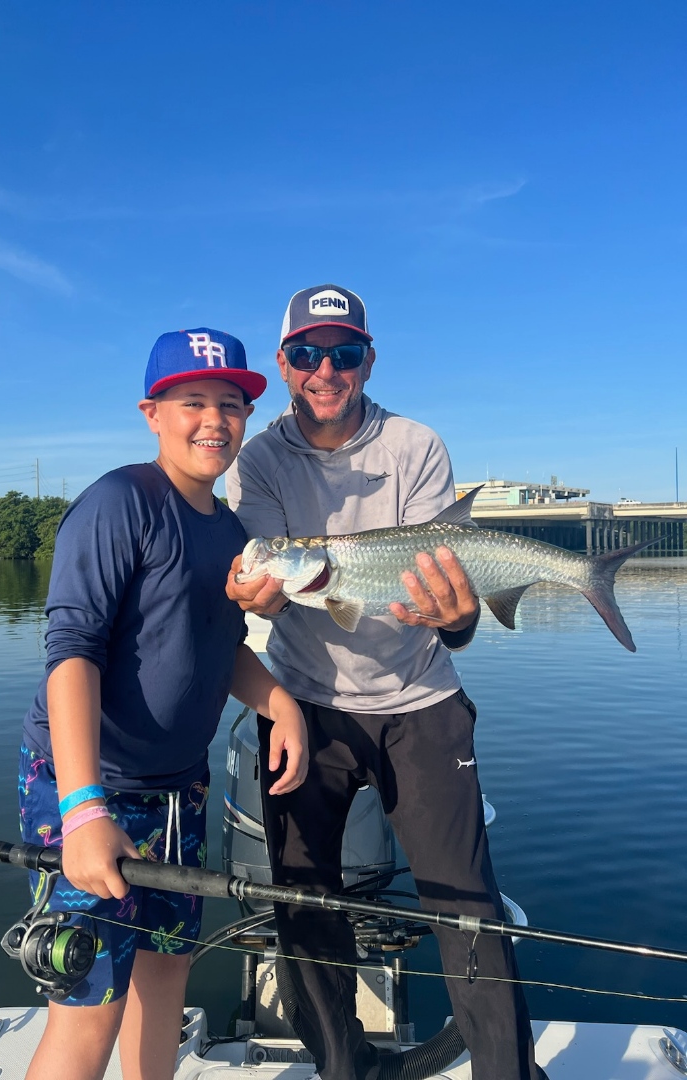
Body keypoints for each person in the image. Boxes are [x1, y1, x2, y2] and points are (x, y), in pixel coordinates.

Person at [225, 286, 545, 1080]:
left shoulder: (415, 445)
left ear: (369, 361)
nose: (325, 370)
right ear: (283, 364)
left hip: (421, 703)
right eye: (307, 353)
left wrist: (460, 619)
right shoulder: (258, 460)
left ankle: (507, 1073)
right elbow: (266, 572)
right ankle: (344, 1067)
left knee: (467, 909)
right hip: (304, 705)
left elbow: (448, 605)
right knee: (303, 900)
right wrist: (260, 589)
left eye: (344, 353)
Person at [18, 327, 308, 1080]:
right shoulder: (119, 503)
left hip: (182, 794)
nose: (215, 420)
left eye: (230, 404)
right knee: (89, 1008)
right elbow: (71, 652)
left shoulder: (231, 532)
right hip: (92, 789)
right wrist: (82, 809)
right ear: (152, 414)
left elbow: (220, 643)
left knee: (165, 981)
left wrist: (280, 702)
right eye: (193, 402)